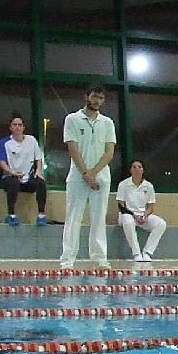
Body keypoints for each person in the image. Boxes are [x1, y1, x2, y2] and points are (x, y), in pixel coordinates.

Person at [61, 84, 117, 268]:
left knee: (99, 218)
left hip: (101, 177)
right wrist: (86, 174)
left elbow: (109, 152)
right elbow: (73, 148)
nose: (97, 101)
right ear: (86, 97)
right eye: (94, 96)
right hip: (78, 176)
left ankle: (99, 258)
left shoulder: (107, 123)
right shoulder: (72, 119)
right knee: (73, 217)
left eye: (101, 98)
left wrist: (93, 174)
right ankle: (67, 259)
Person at [0, 114, 48, 225]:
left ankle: (41, 215)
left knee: (41, 183)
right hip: (10, 177)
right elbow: (1, 162)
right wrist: (13, 172)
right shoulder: (4, 142)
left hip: (27, 179)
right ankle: (11, 215)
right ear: (10, 127)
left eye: (20, 125)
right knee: (13, 182)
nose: (17, 127)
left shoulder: (31, 140)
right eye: (14, 125)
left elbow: (38, 158)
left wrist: (38, 172)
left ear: (23, 127)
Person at [115, 159, 168, 262]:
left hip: (142, 216)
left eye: (139, 167)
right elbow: (121, 206)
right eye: (134, 167)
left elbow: (150, 207)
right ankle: (136, 253)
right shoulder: (123, 184)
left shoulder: (149, 186)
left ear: (143, 170)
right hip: (127, 215)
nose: (137, 169)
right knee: (128, 221)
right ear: (130, 170)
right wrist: (134, 215)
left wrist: (144, 215)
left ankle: (147, 252)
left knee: (161, 224)